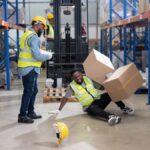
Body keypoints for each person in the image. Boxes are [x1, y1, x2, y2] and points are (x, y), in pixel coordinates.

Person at [51, 69, 134, 126]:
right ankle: (111, 116)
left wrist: (105, 81)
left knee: (109, 93)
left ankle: (123, 108)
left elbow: (102, 88)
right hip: (89, 107)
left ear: (81, 74)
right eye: (76, 77)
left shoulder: (88, 79)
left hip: (98, 100)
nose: (78, 78)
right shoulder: (72, 86)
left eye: (79, 75)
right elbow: (65, 98)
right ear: (73, 78)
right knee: (92, 109)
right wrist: (59, 110)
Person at [17, 16, 53, 124]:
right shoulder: (33, 37)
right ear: (37, 25)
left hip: (28, 67)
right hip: (29, 68)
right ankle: (23, 115)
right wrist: (48, 56)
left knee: (34, 90)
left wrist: (42, 52)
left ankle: (30, 112)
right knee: (28, 91)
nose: (42, 29)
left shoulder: (27, 34)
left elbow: (32, 51)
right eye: (42, 27)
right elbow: (36, 55)